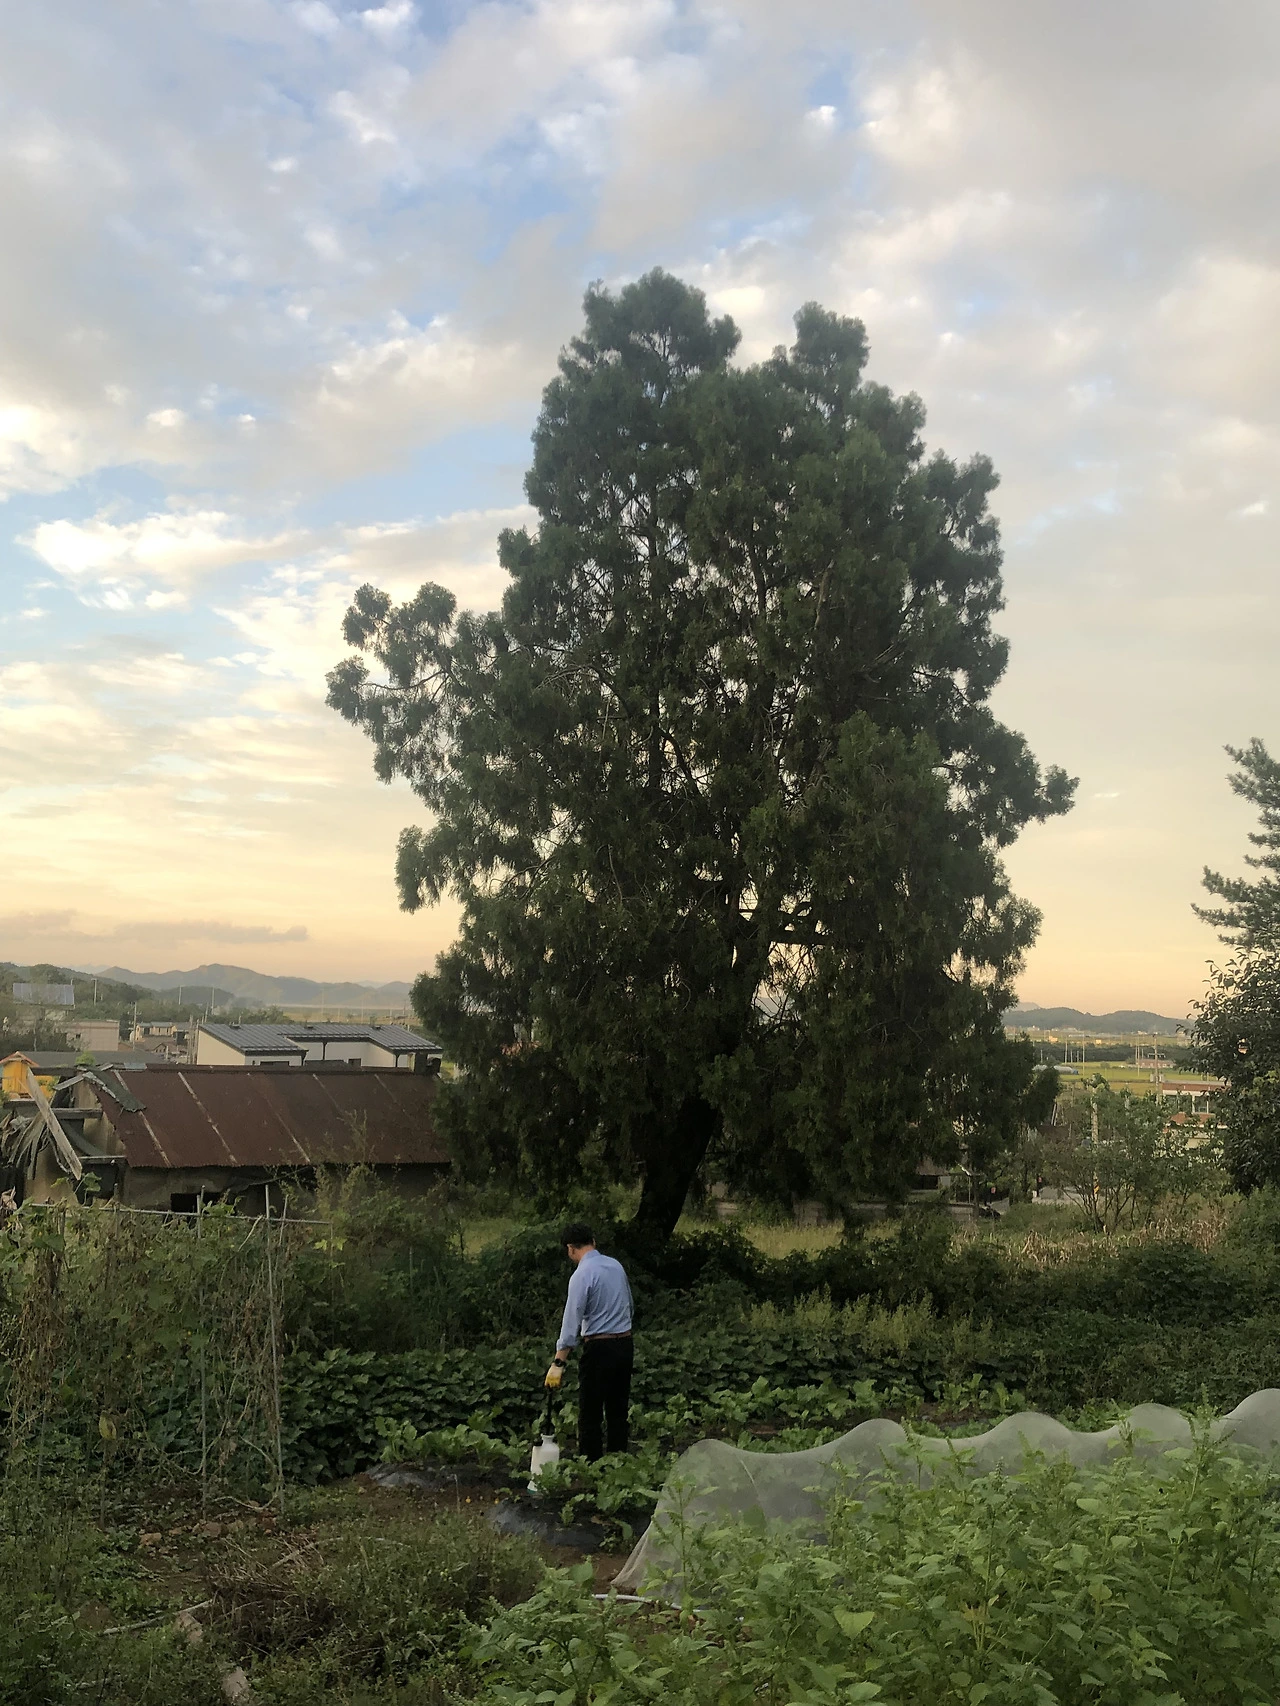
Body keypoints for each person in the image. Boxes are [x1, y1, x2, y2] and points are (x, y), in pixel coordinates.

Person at [544, 1222, 633, 1461]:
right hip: (625, 1344)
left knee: (590, 1410)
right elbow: (629, 1306)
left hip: (599, 1348)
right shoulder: (616, 1266)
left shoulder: (581, 1275)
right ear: (593, 1241)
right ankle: (619, 1461)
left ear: (570, 1248)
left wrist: (558, 1363)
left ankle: (591, 1464)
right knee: (618, 1408)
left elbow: (571, 1321)